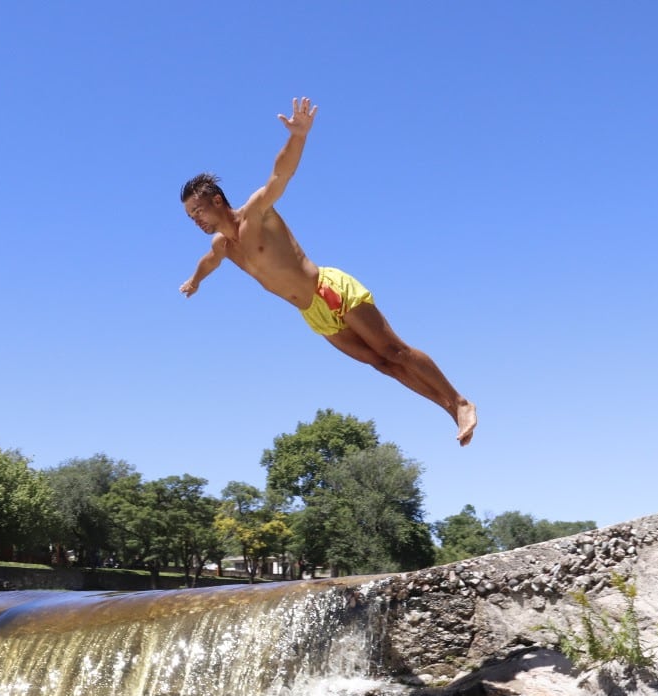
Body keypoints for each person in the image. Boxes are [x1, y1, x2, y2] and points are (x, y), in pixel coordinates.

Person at [178, 97, 478, 446]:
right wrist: (194, 281)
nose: (196, 220)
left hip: (328, 289)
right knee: (383, 365)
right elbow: (207, 263)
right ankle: (448, 409)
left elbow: (280, 174)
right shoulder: (223, 248)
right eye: (190, 217)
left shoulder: (256, 213)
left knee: (395, 351)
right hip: (314, 315)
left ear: (217, 201)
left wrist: (299, 136)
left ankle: (460, 401)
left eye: (198, 210)